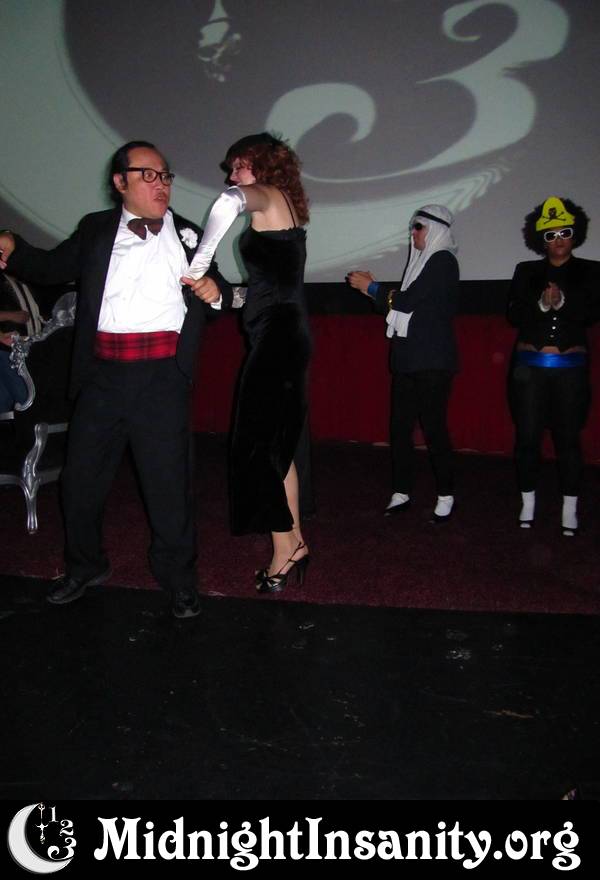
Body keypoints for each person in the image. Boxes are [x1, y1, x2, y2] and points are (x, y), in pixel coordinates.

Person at [0, 140, 233, 617]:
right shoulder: (96, 229)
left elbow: (221, 288)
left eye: (165, 176)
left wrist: (216, 291)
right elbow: (49, 267)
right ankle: (85, 565)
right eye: (149, 175)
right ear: (120, 181)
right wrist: (13, 247)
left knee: (168, 486)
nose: (161, 184)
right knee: (80, 482)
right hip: (103, 377)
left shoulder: (188, 234)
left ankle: (179, 578)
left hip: (161, 378)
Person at [183, 132, 311, 593]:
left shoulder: (266, 195)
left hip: (278, 338)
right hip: (282, 333)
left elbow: (227, 203)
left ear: (263, 165)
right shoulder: (281, 205)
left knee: (257, 448)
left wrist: (199, 264)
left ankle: (283, 549)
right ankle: (294, 542)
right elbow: (266, 290)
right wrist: (224, 296)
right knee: (276, 447)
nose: (232, 175)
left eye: (239, 165)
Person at [347, 205, 459, 522]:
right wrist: (372, 291)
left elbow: (407, 302)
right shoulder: (420, 264)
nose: (413, 233)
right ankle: (401, 491)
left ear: (435, 230)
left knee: (434, 429)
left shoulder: (442, 260)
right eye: (413, 227)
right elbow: (400, 306)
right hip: (409, 359)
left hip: (433, 360)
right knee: (400, 429)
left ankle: (446, 494)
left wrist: (372, 288)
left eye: (418, 227)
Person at [507, 196, 599, 536]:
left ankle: (569, 508)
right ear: (540, 239)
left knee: (568, 439)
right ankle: (528, 502)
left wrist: (561, 302)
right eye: (550, 234)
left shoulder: (592, 271)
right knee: (527, 437)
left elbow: (592, 313)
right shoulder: (526, 271)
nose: (558, 239)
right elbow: (514, 314)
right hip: (528, 369)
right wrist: (542, 305)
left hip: (570, 369)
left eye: (565, 232)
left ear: (576, 234)